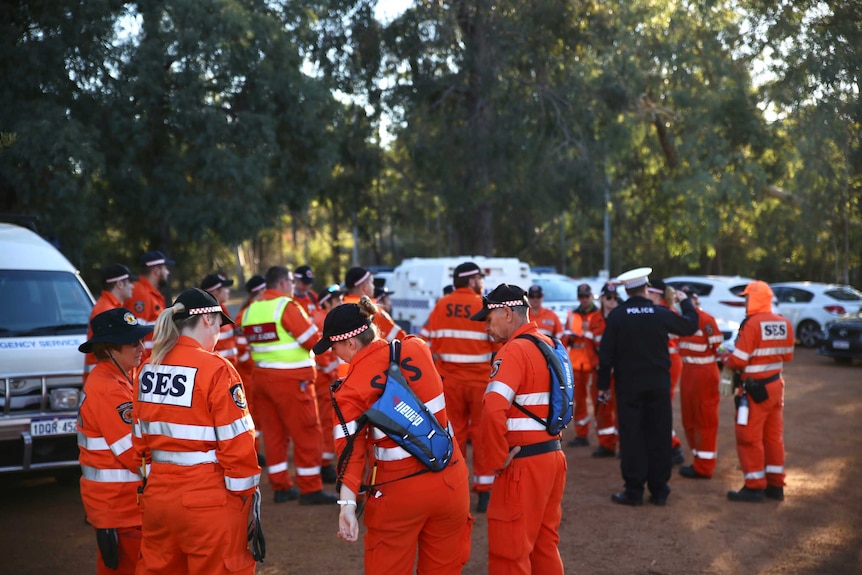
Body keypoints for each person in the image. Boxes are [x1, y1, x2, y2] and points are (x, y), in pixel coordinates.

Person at [320, 298, 472, 574]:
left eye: (334, 346)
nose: (333, 353)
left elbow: (350, 455)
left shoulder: (349, 390)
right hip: (451, 481)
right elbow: (397, 339)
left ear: (351, 343)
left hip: (398, 492)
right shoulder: (416, 348)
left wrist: (346, 504)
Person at [133, 288, 260, 575]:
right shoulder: (216, 369)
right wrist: (245, 502)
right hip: (207, 501)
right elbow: (238, 445)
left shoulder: (147, 369)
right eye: (218, 323)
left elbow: (138, 443)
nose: (218, 332)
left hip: (158, 499)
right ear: (206, 321)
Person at [471, 283, 567, 574]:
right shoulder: (548, 344)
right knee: (543, 546)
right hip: (552, 457)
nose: (487, 327)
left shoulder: (512, 351)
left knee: (508, 552)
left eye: (489, 319)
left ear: (507, 313)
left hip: (522, 464)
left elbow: (492, 408)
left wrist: (497, 459)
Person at [597, 267, 698, 506]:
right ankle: (659, 490)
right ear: (645, 288)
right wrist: (687, 304)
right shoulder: (659, 312)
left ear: (627, 290)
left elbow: (605, 356)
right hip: (658, 386)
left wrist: (602, 386)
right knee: (659, 435)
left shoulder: (618, 316)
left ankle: (633, 491)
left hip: (629, 387)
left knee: (632, 437)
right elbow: (689, 327)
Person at [240, 265, 336, 504]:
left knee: (274, 435)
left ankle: (281, 486)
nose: (293, 287)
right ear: (283, 283)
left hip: (262, 379)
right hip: (292, 381)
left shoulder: (251, 310)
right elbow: (312, 341)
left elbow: (245, 345)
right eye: (291, 282)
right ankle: (310, 488)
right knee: (307, 432)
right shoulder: (286, 306)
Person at [77, 308, 152, 575]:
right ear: (109, 349)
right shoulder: (108, 387)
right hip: (121, 508)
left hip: (119, 506)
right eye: (133, 342)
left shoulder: (116, 378)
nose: (142, 347)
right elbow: (133, 454)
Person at [425, 261, 496, 512]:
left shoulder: (441, 305)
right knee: (480, 434)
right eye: (480, 277)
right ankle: (485, 491)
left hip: (449, 383)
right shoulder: (484, 306)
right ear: (471, 280)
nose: (482, 282)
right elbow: (497, 343)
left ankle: (457, 490)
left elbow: (426, 341)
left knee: (454, 435)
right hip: (479, 383)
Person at [720, 280, 794, 502]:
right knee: (773, 438)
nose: (745, 302)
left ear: (755, 299)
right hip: (775, 387)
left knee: (748, 437)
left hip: (754, 390)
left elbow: (738, 360)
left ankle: (754, 486)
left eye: (747, 298)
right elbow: (788, 356)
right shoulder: (784, 323)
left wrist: (724, 357)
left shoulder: (752, 324)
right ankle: (775, 485)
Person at [677, 287, 724, 479]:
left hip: (705, 374)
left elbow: (718, 348)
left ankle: (704, 466)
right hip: (687, 372)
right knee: (689, 420)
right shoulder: (680, 321)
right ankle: (698, 460)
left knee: (705, 418)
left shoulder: (706, 320)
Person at [646, 278, 686, 465]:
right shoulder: (665, 311)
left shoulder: (661, 312)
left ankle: (672, 446)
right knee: (658, 407)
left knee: (660, 408)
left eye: (648, 292)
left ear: (655, 294)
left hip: (667, 362)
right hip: (668, 361)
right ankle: (665, 445)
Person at [313, 284, 346, 484]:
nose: (341, 302)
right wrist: (333, 375)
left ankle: (324, 462)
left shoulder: (321, 318)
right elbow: (323, 358)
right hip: (324, 381)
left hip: (323, 379)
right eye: (337, 299)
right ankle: (324, 465)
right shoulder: (321, 320)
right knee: (326, 423)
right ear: (328, 302)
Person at [83, 263, 136, 381]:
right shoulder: (106, 311)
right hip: (105, 377)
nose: (133, 286)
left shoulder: (109, 307)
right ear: (120, 284)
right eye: (129, 282)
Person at [564, 283, 600, 446]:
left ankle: (605, 437)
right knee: (579, 400)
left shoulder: (599, 314)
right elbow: (565, 337)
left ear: (592, 296)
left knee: (599, 400)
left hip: (594, 361)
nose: (584, 299)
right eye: (582, 296)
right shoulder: (572, 315)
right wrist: (571, 337)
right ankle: (582, 434)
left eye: (587, 296)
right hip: (577, 362)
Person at [589, 282, 621, 458]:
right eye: (609, 297)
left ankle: (622, 444)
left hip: (618, 372)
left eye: (615, 298)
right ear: (602, 299)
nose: (612, 301)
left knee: (620, 408)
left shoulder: (621, 317)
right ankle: (606, 444)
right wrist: (598, 366)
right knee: (601, 407)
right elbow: (588, 346)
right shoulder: (594, 320)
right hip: (600, 371)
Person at [124, 250, 174, 355]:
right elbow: (136, 335)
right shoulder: (140, 294)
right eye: (165, 268)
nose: (167, 272)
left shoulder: (153, 294)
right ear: (156, 271)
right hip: (144, 363)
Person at [343, 266, 405, 342]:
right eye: (372, 283)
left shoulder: (338, 309)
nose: (373, 287)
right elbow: (401, 338)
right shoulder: (372, 311)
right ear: (364, 287)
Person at [200, 273, 238, 366]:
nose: (228, 291)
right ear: (215, 291)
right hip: (218, 371)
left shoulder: (222, 310)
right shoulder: (206, 317)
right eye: (225, 288)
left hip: (227, 369)